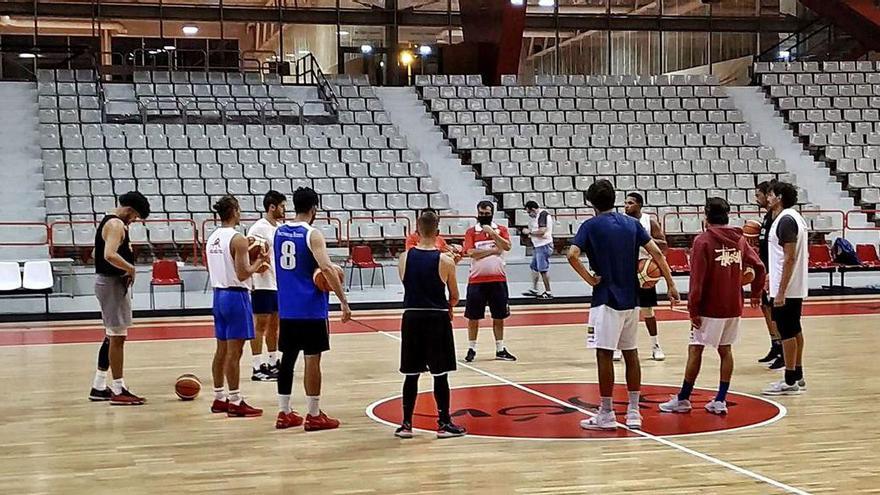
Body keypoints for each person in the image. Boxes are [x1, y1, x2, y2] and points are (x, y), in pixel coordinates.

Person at [567, 180, 680, 430]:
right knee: (631, 353)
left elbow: (572, 255)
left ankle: (606, 413)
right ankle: (633, 411)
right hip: (632, 298)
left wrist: (589, 279)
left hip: (606, 297)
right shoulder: (631, 223)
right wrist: (671, 285)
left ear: (590, 202)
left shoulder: (589, 225)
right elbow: (658, 254)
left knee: (604, 354)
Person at [659, 198, 766, 415]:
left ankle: (683, 398)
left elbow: (697, 280)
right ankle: (720, 400)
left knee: (695, 349)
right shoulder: (741, 239)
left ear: (705, 215)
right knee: (725, 350)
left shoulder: (703, 241)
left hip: (710, 306)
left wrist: (693, 309)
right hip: (734, 306)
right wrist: (756, 292)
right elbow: (760, 266)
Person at [274, 187, 351, 431]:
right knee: (312, 359)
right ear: (314, 208)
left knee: (287, 359)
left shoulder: (278, 232)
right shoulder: (312, 234)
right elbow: (326, 269)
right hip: (310, 308)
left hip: (286, 307)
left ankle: (284, 412)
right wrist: (343, 301)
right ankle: (314, 414)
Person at [394, 209, 466, 439]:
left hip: (412, 317)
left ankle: (406, 424)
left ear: (416, 230)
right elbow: (454, 295)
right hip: (436, 317)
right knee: (440, 374)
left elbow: (408, 284)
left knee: (411, 374)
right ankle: (444, 423)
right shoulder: (446, 260)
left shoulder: (404, 258)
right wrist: (449, 306)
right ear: (438, 232)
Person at [87, 191, 151, 405]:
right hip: (111, 284)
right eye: (135, 217)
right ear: (130, 210)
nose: (134, 221)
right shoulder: (115, 225)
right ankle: (118, 388)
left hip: (108, 282)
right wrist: (130, 268)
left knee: (111, 335)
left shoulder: (108, 222)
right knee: (117, 337)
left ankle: (98, 385)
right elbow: (108, 254)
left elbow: (96, 253)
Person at [207, 195, 266, 418]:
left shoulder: (212, 237)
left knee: (221, 349)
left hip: (218, 294)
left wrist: (249, 265)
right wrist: (259, 262)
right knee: (236, 351)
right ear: (234, 211)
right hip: (236, 297)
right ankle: (235, 400)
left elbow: (229, 267)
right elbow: (242, 274)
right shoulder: (239, 239)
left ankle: (219, 397)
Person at [763, 182, 809, 396]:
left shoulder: (786, 220)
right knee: (795, 330)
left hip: (787, 289)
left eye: (770, 194)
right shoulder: (794, 217)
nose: (768, 197)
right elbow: (783, 257)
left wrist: (780, 291)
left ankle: (790, 379)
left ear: (779, 197)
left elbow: (789, 258)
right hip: (791, 285)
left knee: (787, 332)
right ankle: (798, 376)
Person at [462, 201, 516, 362]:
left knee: (499, 316)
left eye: (487, 213)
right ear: (477, 213)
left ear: (492, 213)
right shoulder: (471, 232)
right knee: (473, 317)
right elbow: (471, 252)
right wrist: (493, 250)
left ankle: (500, 349)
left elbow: (506, 247)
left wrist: (493, 234)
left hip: (498, 280)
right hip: (476, 281)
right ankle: (471, 348)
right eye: (481, 213)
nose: (484, 216)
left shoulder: (501, 230)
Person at [246, 190, 286, 382]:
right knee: (260, 324)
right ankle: (256, 366)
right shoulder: (257, 228)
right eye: (282, 206)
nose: (284, 209)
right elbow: (248, 253)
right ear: (272, 207)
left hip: (278, 283)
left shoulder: (280, 227)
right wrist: (254, 274)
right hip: (262, 283)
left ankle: (272, 361)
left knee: (275, 325)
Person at [623, 192, 668, 361]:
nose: (626, 206)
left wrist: (644, 239)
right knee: (624, 310)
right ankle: (621, 347)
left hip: (644, 271)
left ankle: (655, 345)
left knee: (647, 310)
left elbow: (664, 244)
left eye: (630, 203)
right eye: (625, 203)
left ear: (639, 205)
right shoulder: (622, 221)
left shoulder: (649, 221)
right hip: (626, 269)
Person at [755, 180, 784, 370]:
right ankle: (775, 344)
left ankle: (783, 349)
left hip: (775, 271)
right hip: (765, 267)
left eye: (758, 195)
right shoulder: (767, 216)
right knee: (765, 307)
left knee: (776, 312)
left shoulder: (780, 218)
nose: (756, 199)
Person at [522, 200, 554, 299]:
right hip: (538, 245)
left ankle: (548, 292)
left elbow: (542, 231)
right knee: (534, 267)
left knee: (543, 269)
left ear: (533, 209)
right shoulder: (538, 216)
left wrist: (529, 232)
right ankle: (535, 289)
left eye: (529, 212)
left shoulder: (542, 215)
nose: (529, 214)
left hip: (543, 245)